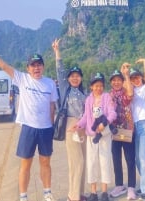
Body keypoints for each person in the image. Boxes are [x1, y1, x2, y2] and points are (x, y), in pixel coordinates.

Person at [0, 39, 59, 201]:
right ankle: (23, 196)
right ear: (28, 68)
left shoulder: (49, 84)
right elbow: (3, 66)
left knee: (45, 163)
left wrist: (51, 126)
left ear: (43, 67)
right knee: (25, 165)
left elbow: (52, 107)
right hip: (28, 128)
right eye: (33, 65)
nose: (36, 68)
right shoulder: (22, 79)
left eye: (39, 64)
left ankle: (47, 193)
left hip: (46, 129)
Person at [72, 72, 117, 201]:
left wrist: (104, 123)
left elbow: (112, 113)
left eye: (101, 85)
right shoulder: (89, 99)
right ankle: (93, 192)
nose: (99, 88)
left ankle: (104, 192)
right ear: (91, 86)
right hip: (91, 136)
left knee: (105, 162)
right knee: (91, 163)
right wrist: (78, 125)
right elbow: (86, 117)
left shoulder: (107, 97)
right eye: (96, 85)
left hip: (104, 136)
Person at [52, 39, 87, 201]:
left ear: (80, 78)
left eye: (77, 76)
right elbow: (60, 70)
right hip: (71, 125)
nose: (75, 78)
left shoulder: (83, 92)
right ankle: (73, 196)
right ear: (68, 78)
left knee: (83, 161)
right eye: (72, 76)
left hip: (83, 127)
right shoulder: (66, 88)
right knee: (76, 161)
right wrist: (57, 51)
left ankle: (79, 193)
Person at [109, 64, 136, 200]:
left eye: (118, 79)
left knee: (130, 160)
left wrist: (126, 74)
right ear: (111, 82)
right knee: (116, 159)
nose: (116, 82)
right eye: (113, 80)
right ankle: (119, 185)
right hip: (114, 131)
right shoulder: (108, 96)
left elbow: (131, 94)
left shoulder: (126, 92)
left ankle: (131, 187)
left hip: (127, 130)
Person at [129, 58, 145, 201]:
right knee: (138, 159)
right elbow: (124, 82)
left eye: (137, 77)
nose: (135, 80)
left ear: (141, 78)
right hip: (135, 125)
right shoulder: (130, 91)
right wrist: (125, 73)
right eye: (133, 78)